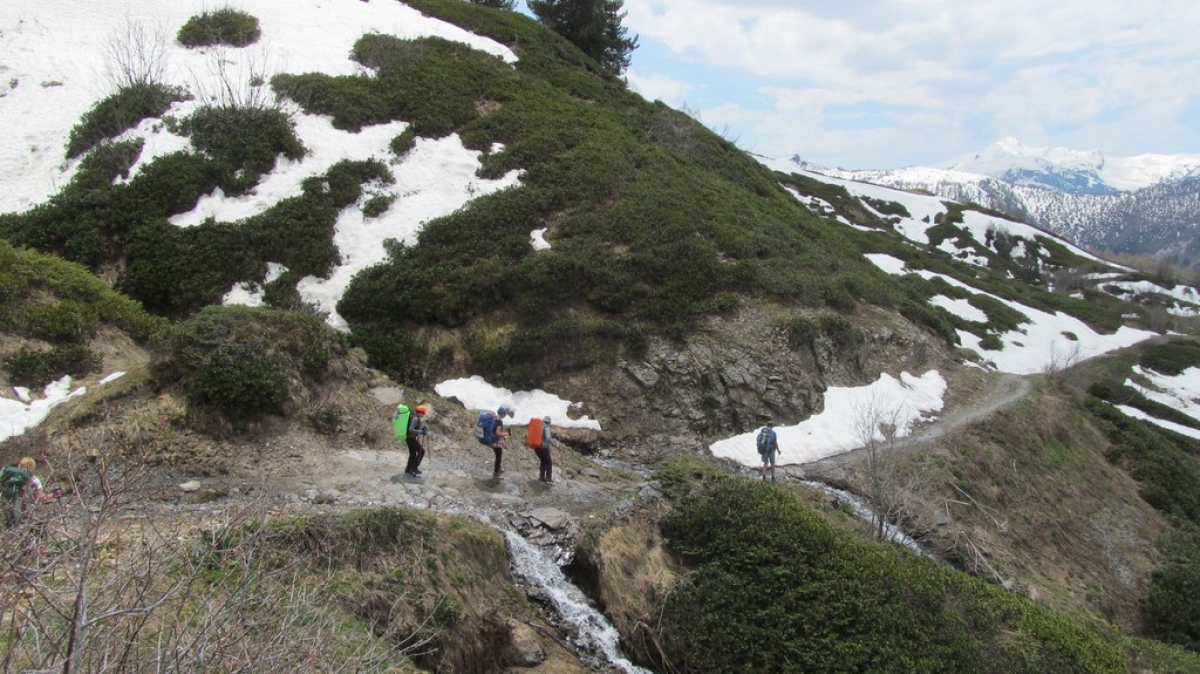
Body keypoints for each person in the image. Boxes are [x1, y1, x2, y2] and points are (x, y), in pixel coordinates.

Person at [2, 457, 44, 526]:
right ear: (32, 467)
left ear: (20, 465)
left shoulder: (10, 476)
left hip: (7, 507)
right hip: (27, 512)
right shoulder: (34, 480)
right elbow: (40, 497)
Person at [404, 404, 430, 477]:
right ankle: (414, 468)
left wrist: (421, 430)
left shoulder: (413, 417)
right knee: (421, 451)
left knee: (412, 455)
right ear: (420, 412)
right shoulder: (415, 418)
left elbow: (413, 429)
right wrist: (421, 432)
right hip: (410, 438)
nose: (423, 415)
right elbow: (411, 429)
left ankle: (408, 469)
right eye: (423, 413)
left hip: (408, 438)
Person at [489, 405, 514, 477]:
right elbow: (498, 433)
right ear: (503, 413)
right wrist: (508, 433)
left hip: (492, 439)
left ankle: (498, 469)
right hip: (495, 440)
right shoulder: (499, 421)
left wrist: (503, 436)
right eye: (505, 413)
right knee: (498, 456)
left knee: (498, 455)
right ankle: (496, 472)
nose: (505, 415)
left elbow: (496, 432)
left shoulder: (495, 418)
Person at [534, 416, 554, 483]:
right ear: (549, 422)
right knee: (549, 462)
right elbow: (548, 438)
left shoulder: (539, 426)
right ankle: (548, 478)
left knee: (543, 461)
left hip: (536, 447)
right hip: (543, 447)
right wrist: (553, 444)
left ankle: (541, 477)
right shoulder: (547, 428)